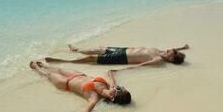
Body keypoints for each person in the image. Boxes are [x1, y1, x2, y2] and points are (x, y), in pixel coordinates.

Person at [29, 61, 131, 112]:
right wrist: (112, 73)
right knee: (59, 69)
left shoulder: (94, 97)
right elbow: (110, 74)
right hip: (78, 74)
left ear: (112, 97)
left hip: (65, 83)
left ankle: (37, 68)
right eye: (122, 87)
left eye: (120, 89)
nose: (120, 87)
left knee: (48, 75)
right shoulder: (111, 86)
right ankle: (44, 65)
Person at [45, 44, 190, 70]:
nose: (168, 50)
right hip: (122, 49)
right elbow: (172, 48)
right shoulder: (161, 51)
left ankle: (63, 61)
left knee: (92, 59)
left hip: (121, 58)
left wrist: (121, 71)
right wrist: (182, 48)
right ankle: (77, 50)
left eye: (171, 52)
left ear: (171, 59)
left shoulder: (158, 60)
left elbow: (140, 66)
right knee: (99, 48)